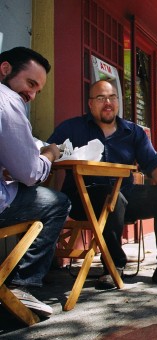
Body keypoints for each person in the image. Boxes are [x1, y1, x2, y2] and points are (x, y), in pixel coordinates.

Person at [48, 80, 157, 290]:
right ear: (90, 104)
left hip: (125, 194)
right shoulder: (72, 128)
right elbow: (50, 153)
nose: (107, 102)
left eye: (112, 98)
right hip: (83, 198)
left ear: (118, 103)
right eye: (101, 98)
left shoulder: (133, 131)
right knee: (113, 197)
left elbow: (154, 164)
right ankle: (113, 265)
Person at [0, 47, 71, 317]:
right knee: (56, 202)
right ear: (5, 69)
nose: (31, 95)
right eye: (30, 84)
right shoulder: (7, 100)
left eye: (37, 91)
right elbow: (29, 172)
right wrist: (50, 154)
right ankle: (22, 285)